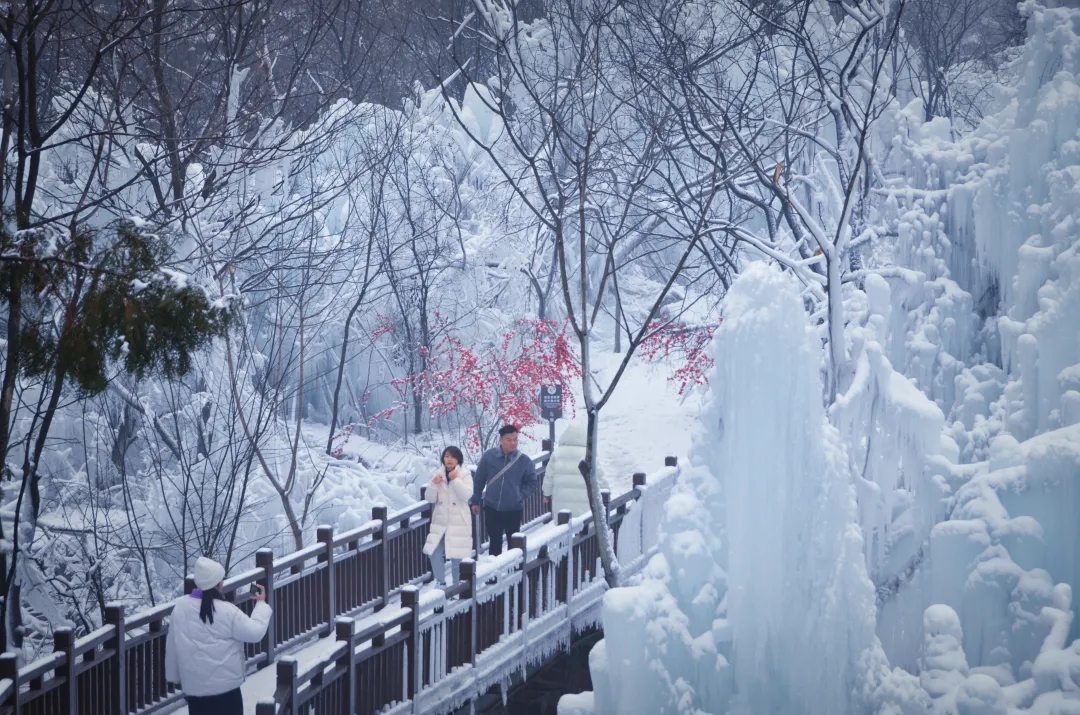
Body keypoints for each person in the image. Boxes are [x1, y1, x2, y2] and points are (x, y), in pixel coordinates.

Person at [165, 556, 272, 714]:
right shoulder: (226, 611)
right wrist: (261, 604)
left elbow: (172, 647)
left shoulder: (180, 607)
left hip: (196, 693)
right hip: (226, 693)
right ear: (218, 584)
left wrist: (174, 677)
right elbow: (255, 632)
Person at [469, 424, 537, 556]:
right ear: (500, 440)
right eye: (509, 440)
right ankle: (495, 575)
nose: (513, 443)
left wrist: (520, 495)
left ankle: (515, 573)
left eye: (515, 439)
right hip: (492, 507)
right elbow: (479, 480)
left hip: (514, 509)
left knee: (514, 544)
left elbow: (532, 482)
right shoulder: (489, 457)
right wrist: (475, 501)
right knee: (495, 543)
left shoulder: (524, 460)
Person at [423, 446, 474, 585]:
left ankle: (457, 586)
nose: (449, 459)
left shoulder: (464, 474)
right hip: (441, 522)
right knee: (433, 552)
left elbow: (467, 495)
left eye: (452, 456)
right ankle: (440, 582)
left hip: (459, 521)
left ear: (458, 459)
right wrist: (433, 484)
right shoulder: (438, 474)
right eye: (446, 456)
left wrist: (456, 481)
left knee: (457, 556)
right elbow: (430, 498)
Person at [543, 421, 606, 518]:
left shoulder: (557, 454)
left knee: (563, 529)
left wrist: (547, 494)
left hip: (561, 505)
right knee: (584, 528)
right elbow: (599, 478)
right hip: (585, 505)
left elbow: (549, 478)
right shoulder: (589, 455)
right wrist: (605, 494)